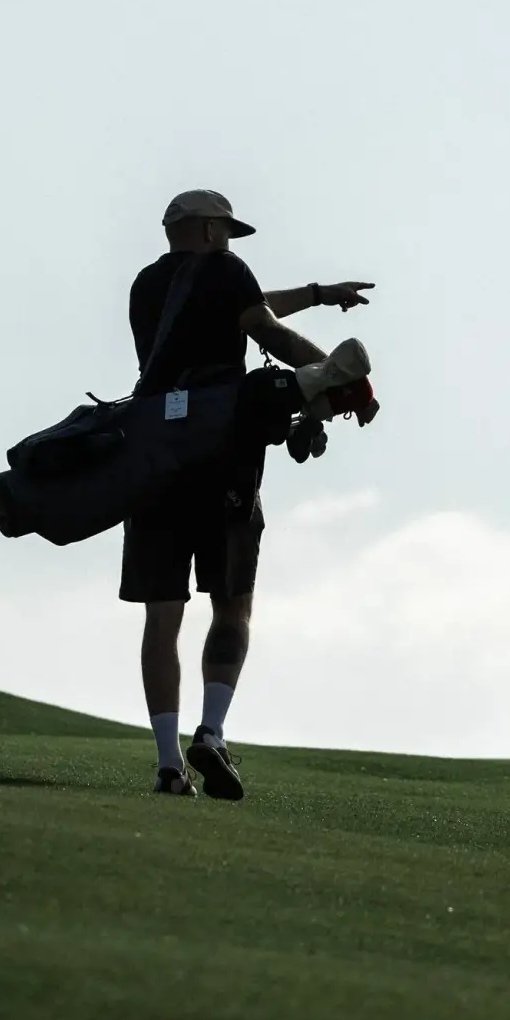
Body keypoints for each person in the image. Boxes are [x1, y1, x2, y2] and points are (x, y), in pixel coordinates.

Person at [125, 189, 374, 800]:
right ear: (210, 231)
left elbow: (248, 304)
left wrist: (317, 295)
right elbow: (264, 325)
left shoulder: (144, 287)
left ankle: (166, 766)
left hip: (153, 455)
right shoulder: (228, 273)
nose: (231, 241)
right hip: (221, 459)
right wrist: (343, 380)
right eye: (227, 230)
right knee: (232, 606)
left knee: (163, 616)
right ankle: (210, 732)